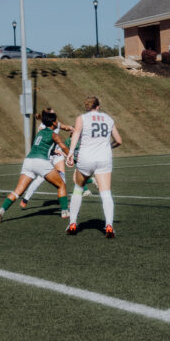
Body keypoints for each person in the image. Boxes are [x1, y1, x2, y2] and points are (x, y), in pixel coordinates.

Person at [0, 109, 71, 223]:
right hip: (41, 162)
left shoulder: (39, 132)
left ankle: (1, 210)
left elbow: (44, 147)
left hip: (28, 161)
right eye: (56, 121)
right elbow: (64, 147)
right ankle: (65, 211)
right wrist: (71, 157)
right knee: (61, 185)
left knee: (18, 191)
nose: (57, 123)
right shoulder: (54, 135)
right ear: (54, 122)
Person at [65, 97, 122, 238]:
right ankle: (109, 225)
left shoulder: (82, 118)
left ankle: (72, 223)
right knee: (106, 194)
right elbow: (119, 141)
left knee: (78, 189)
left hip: (85, 158)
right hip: (104, 159)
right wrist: (109, 146)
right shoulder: (108, 118)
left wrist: (70, 153)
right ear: (98, 106)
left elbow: (76, 135)